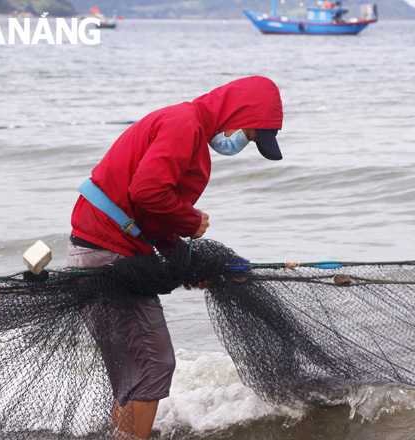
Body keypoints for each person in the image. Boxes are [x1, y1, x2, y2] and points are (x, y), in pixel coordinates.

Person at [66, 76, 283, 440]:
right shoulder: (185, 125)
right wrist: (191, 220)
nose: (242, 142)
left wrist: (183, 261)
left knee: (134, 370)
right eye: (249, 133)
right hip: (107, 255)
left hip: (101, 250)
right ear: (237, 114)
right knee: (154, 365)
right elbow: (149, 192)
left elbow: (147, 214)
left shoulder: (187, 124)